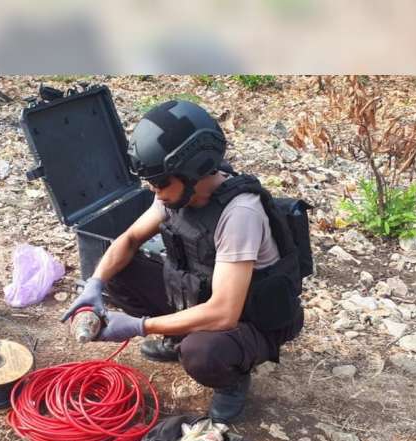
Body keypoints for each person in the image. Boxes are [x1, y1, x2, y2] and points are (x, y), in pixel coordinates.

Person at [62, 99, 305, 423]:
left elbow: (224, 313)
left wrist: (140, 326)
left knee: (202, 353)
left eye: (161, 182)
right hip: (201, 291)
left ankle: (231, 379)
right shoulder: (176, 195)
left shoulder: (239, 213)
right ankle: (179, 337)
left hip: (252, 318)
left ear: (193, 172)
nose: (155, 190)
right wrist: (95, 284)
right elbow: (129, 240)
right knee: (118, 271)